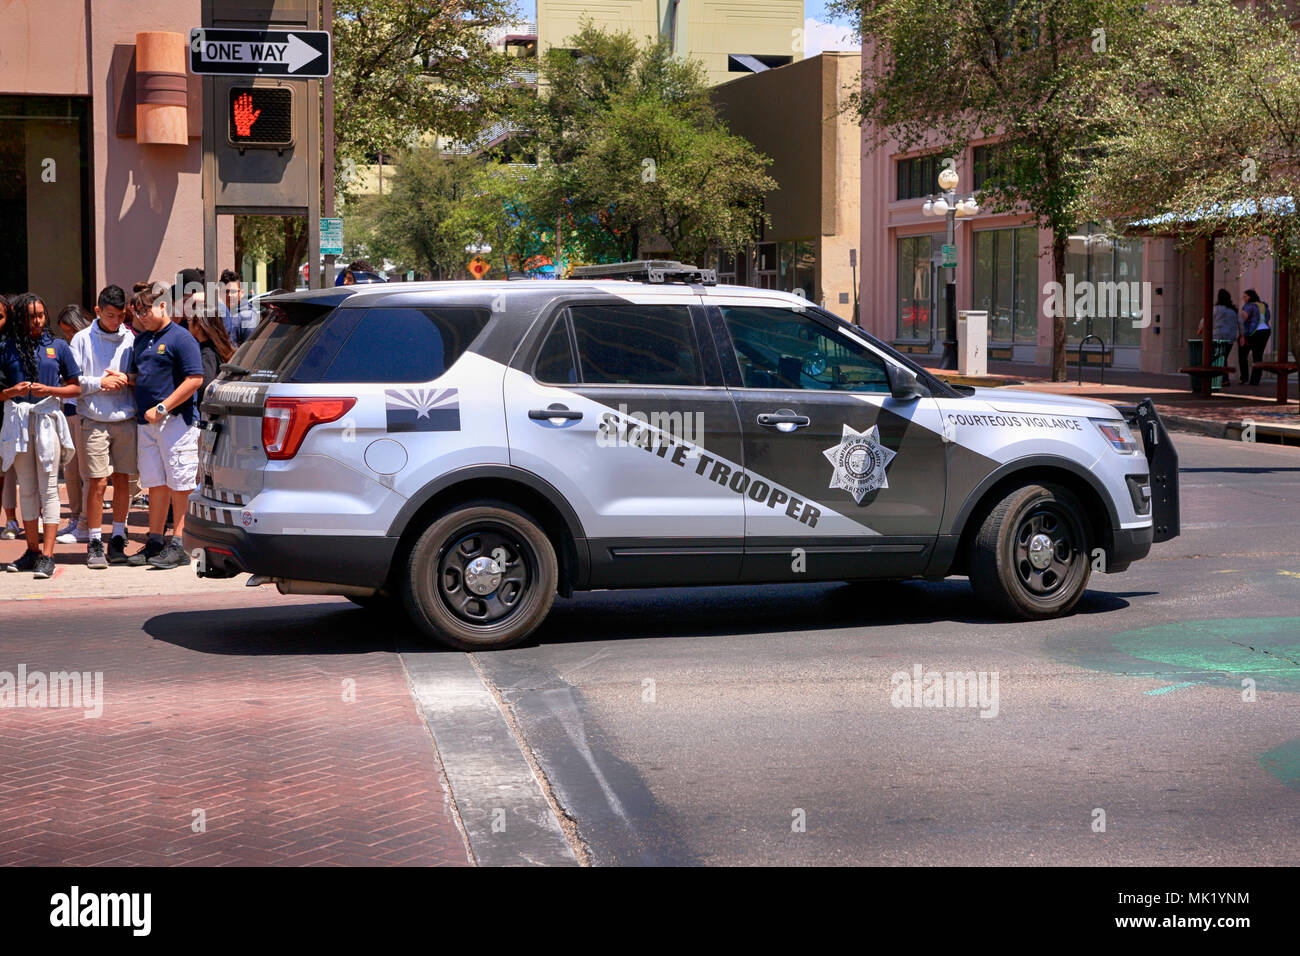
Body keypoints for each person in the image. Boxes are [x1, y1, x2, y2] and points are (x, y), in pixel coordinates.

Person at [121, 285, 203, 569]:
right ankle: (155, 540)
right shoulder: (142, 340)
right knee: (155, 484)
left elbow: (195, 379)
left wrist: (162, 407)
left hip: (176, 422)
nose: (142, 316)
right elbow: (145, 374)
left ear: (164, 306)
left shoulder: (182, 338)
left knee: (180, 483)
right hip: (147, 424)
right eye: (138, 312)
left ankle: (180, 544)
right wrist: (125, 378)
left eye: (146, 310)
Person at [0, 293, 80, 578]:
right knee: (27, 487)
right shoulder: (6, 347)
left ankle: (48, 554)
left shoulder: (57, 346)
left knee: (49, 486)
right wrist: (13, 391)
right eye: (31, 316)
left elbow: (76, 387)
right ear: (21, 318)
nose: (37, 320)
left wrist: (51, 391)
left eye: (41, 315)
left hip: (47, 419)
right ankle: (31, 550)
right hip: (19, 421)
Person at [70, 285, 138, 568]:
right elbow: (71, 381)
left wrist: (126, 377)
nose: (116, 321)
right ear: (97, 311)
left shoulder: (131, 338)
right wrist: (101, 382)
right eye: (110, 315)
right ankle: (95, 541)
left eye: (121, 315)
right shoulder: (81, 339)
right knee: (96, 482)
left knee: (124, 481)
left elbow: (141, 374)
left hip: (126, 418)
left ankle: (119, 536)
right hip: (95, 419)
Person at [53, 304, 93, 545]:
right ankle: (76, 518)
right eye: (64, 332)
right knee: (70, 469)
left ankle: (87, 521)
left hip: (85, 411)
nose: (68, 336)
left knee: (87, 471)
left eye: (70, 330)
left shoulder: (88, 341)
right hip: (68, 410)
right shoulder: (69, 346)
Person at [0, 295, 21, 539]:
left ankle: (16, 519)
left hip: (14, 413)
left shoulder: (13, 346)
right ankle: (11, 519)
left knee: (18, 470)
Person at [188, 308, 236, 406]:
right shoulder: (218, 347)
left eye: (190, 320)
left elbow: (204, 386)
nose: (188, 324)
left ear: (198, 326)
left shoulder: (207, 353)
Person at [1238, 289, 1272, 386]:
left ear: (1250, 297)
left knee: (1242, 355)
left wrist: (1242, 335)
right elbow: (1268, 318)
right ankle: (1255, 380)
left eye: (1245, 297)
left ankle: (1244, 377)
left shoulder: (1248, 306)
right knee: (1258, 356)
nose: (1243, 299)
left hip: (1251, 333)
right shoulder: (1264, 306)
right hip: (1265, 331)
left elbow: (1242, 320)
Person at [218, 268, 258, 346]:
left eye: (233, 291)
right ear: (220, 293)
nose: (229, 295)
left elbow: (250, 349)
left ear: (242, 293)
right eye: (225, 291)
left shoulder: (248, 316)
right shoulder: (220, 313)